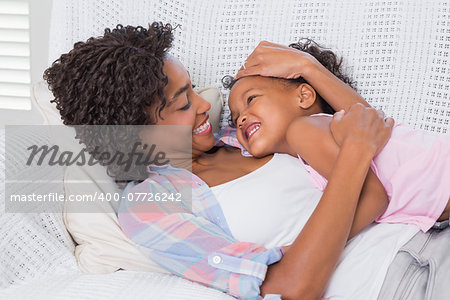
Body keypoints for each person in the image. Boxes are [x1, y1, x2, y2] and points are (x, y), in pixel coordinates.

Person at [44, 23, 410, 300]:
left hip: (423, 229)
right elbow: (292, 285)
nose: (205, 104)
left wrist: (308, 67)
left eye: (192, 89)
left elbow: (365, 132)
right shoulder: (151, 208)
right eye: (184, 103)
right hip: (393, 282)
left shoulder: (247, 131)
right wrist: (355, 156)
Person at [227, 40, 450, 235]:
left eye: (251, 99)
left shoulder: (303, 129)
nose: (241, 119)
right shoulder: (320, 147)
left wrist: (304, 246)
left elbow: (373, 199)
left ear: (304, 96)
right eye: (235, 117)